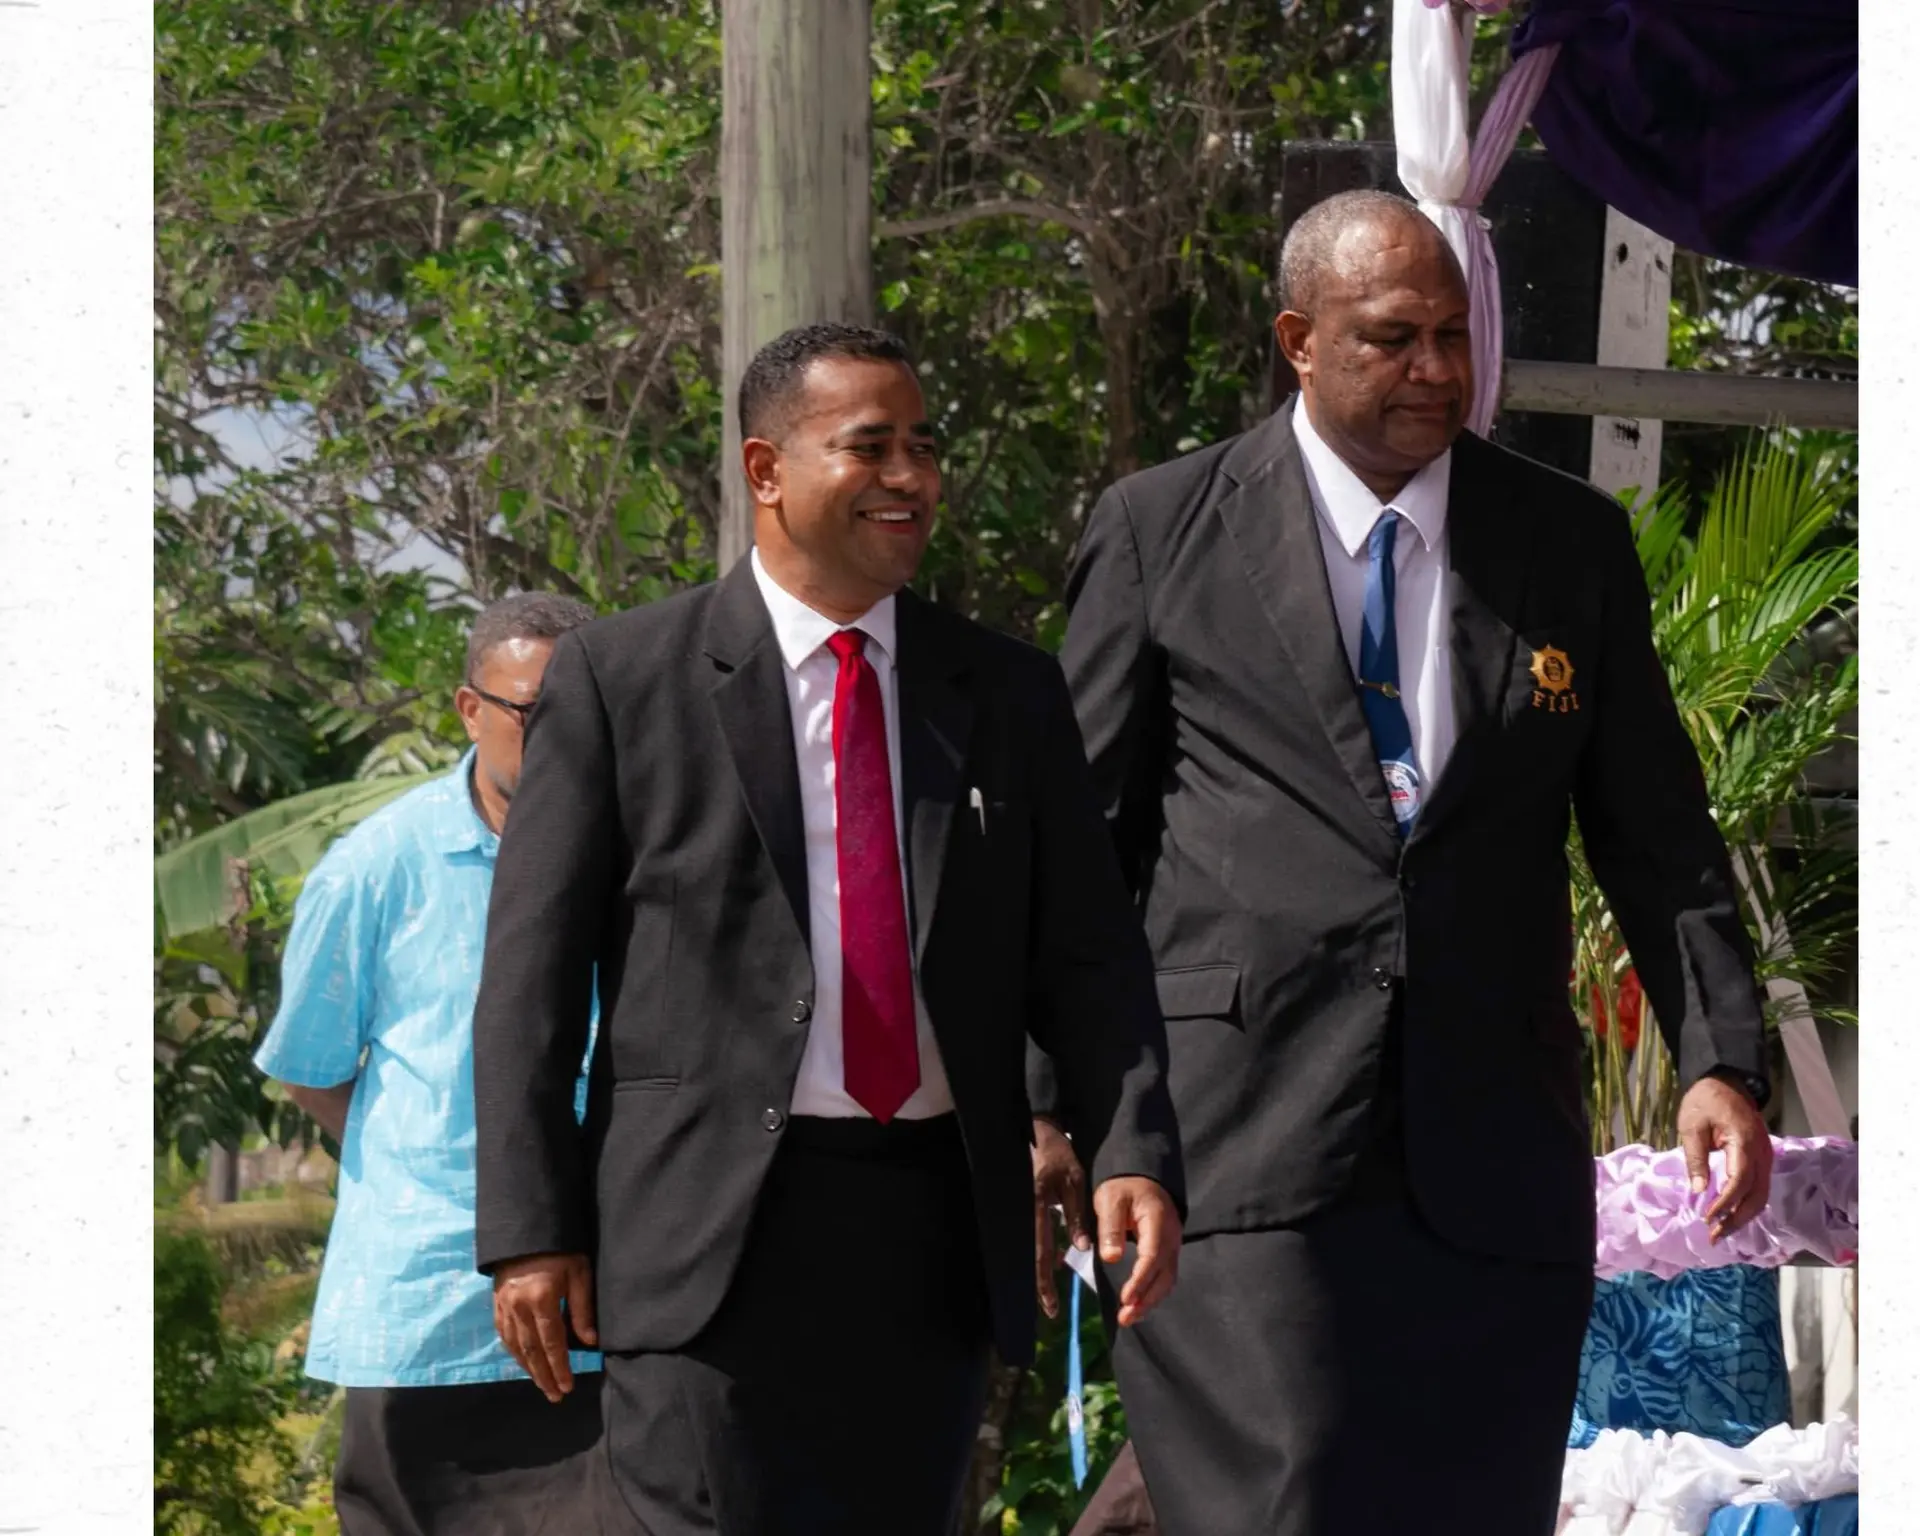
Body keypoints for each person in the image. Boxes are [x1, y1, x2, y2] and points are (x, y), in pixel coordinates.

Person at [1027, 189, 1777, 1535]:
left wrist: (1720, 1053)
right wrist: (1045, 1100)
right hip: (1235, 1147)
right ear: (1299, 340)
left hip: (1493, 1147)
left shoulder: (1565, 543)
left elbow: (1654, 828)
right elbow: (1074, 846)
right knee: (1287, 1501)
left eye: (1454, 335)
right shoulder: (1160, 530)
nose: (1438, 369)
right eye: (1394, 338)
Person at [469, 321, 1186, 1536]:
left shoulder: (1004, 692)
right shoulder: (620, 680)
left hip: (932, 1225)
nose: (910, 476)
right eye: (870, 447)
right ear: (766, 470)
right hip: (706, 1233)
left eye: (923, 445)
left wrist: (1130, 1150)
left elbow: (1086, 954)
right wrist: (532, 1234)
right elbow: (530, 983)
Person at [254, 592, 601, 1536]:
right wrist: (443, 1173)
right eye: (532, 713)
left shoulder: (643, 855)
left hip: (605, 1317)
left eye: (584, 713)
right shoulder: (374, 870)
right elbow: (312, 1068)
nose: (558, 738)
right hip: (427, 1317)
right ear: (469, 708)